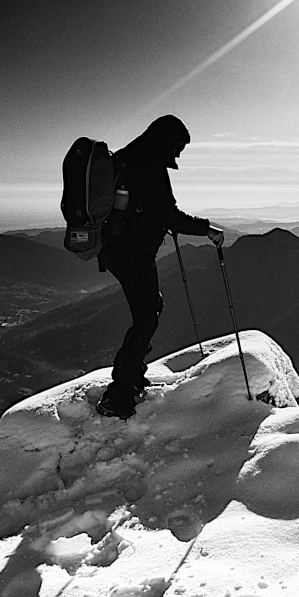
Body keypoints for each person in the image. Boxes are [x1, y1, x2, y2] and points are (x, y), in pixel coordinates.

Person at [95, 114, 223, 417]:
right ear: (166, 141)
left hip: (116, 250)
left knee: (150, 308)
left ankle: (131, 376)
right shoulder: (149, 166)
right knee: (147, 316)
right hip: (132, 253)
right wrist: (207, 229)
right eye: (178, 147)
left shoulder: (127, 158)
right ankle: (120, 392)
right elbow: (168, 214)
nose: (178, 154)